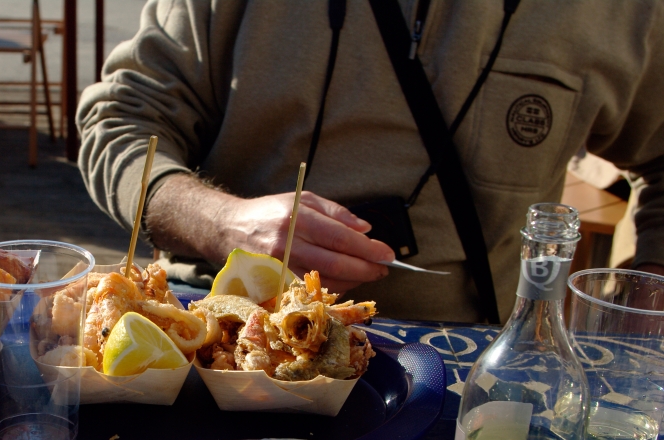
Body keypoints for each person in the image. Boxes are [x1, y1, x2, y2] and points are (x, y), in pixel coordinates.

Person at [76, 0, 664, 322]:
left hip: (475, 369)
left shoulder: (624, 14)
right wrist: (218, 222)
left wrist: (642, 315)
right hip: (220, 330)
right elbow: (120, 121)